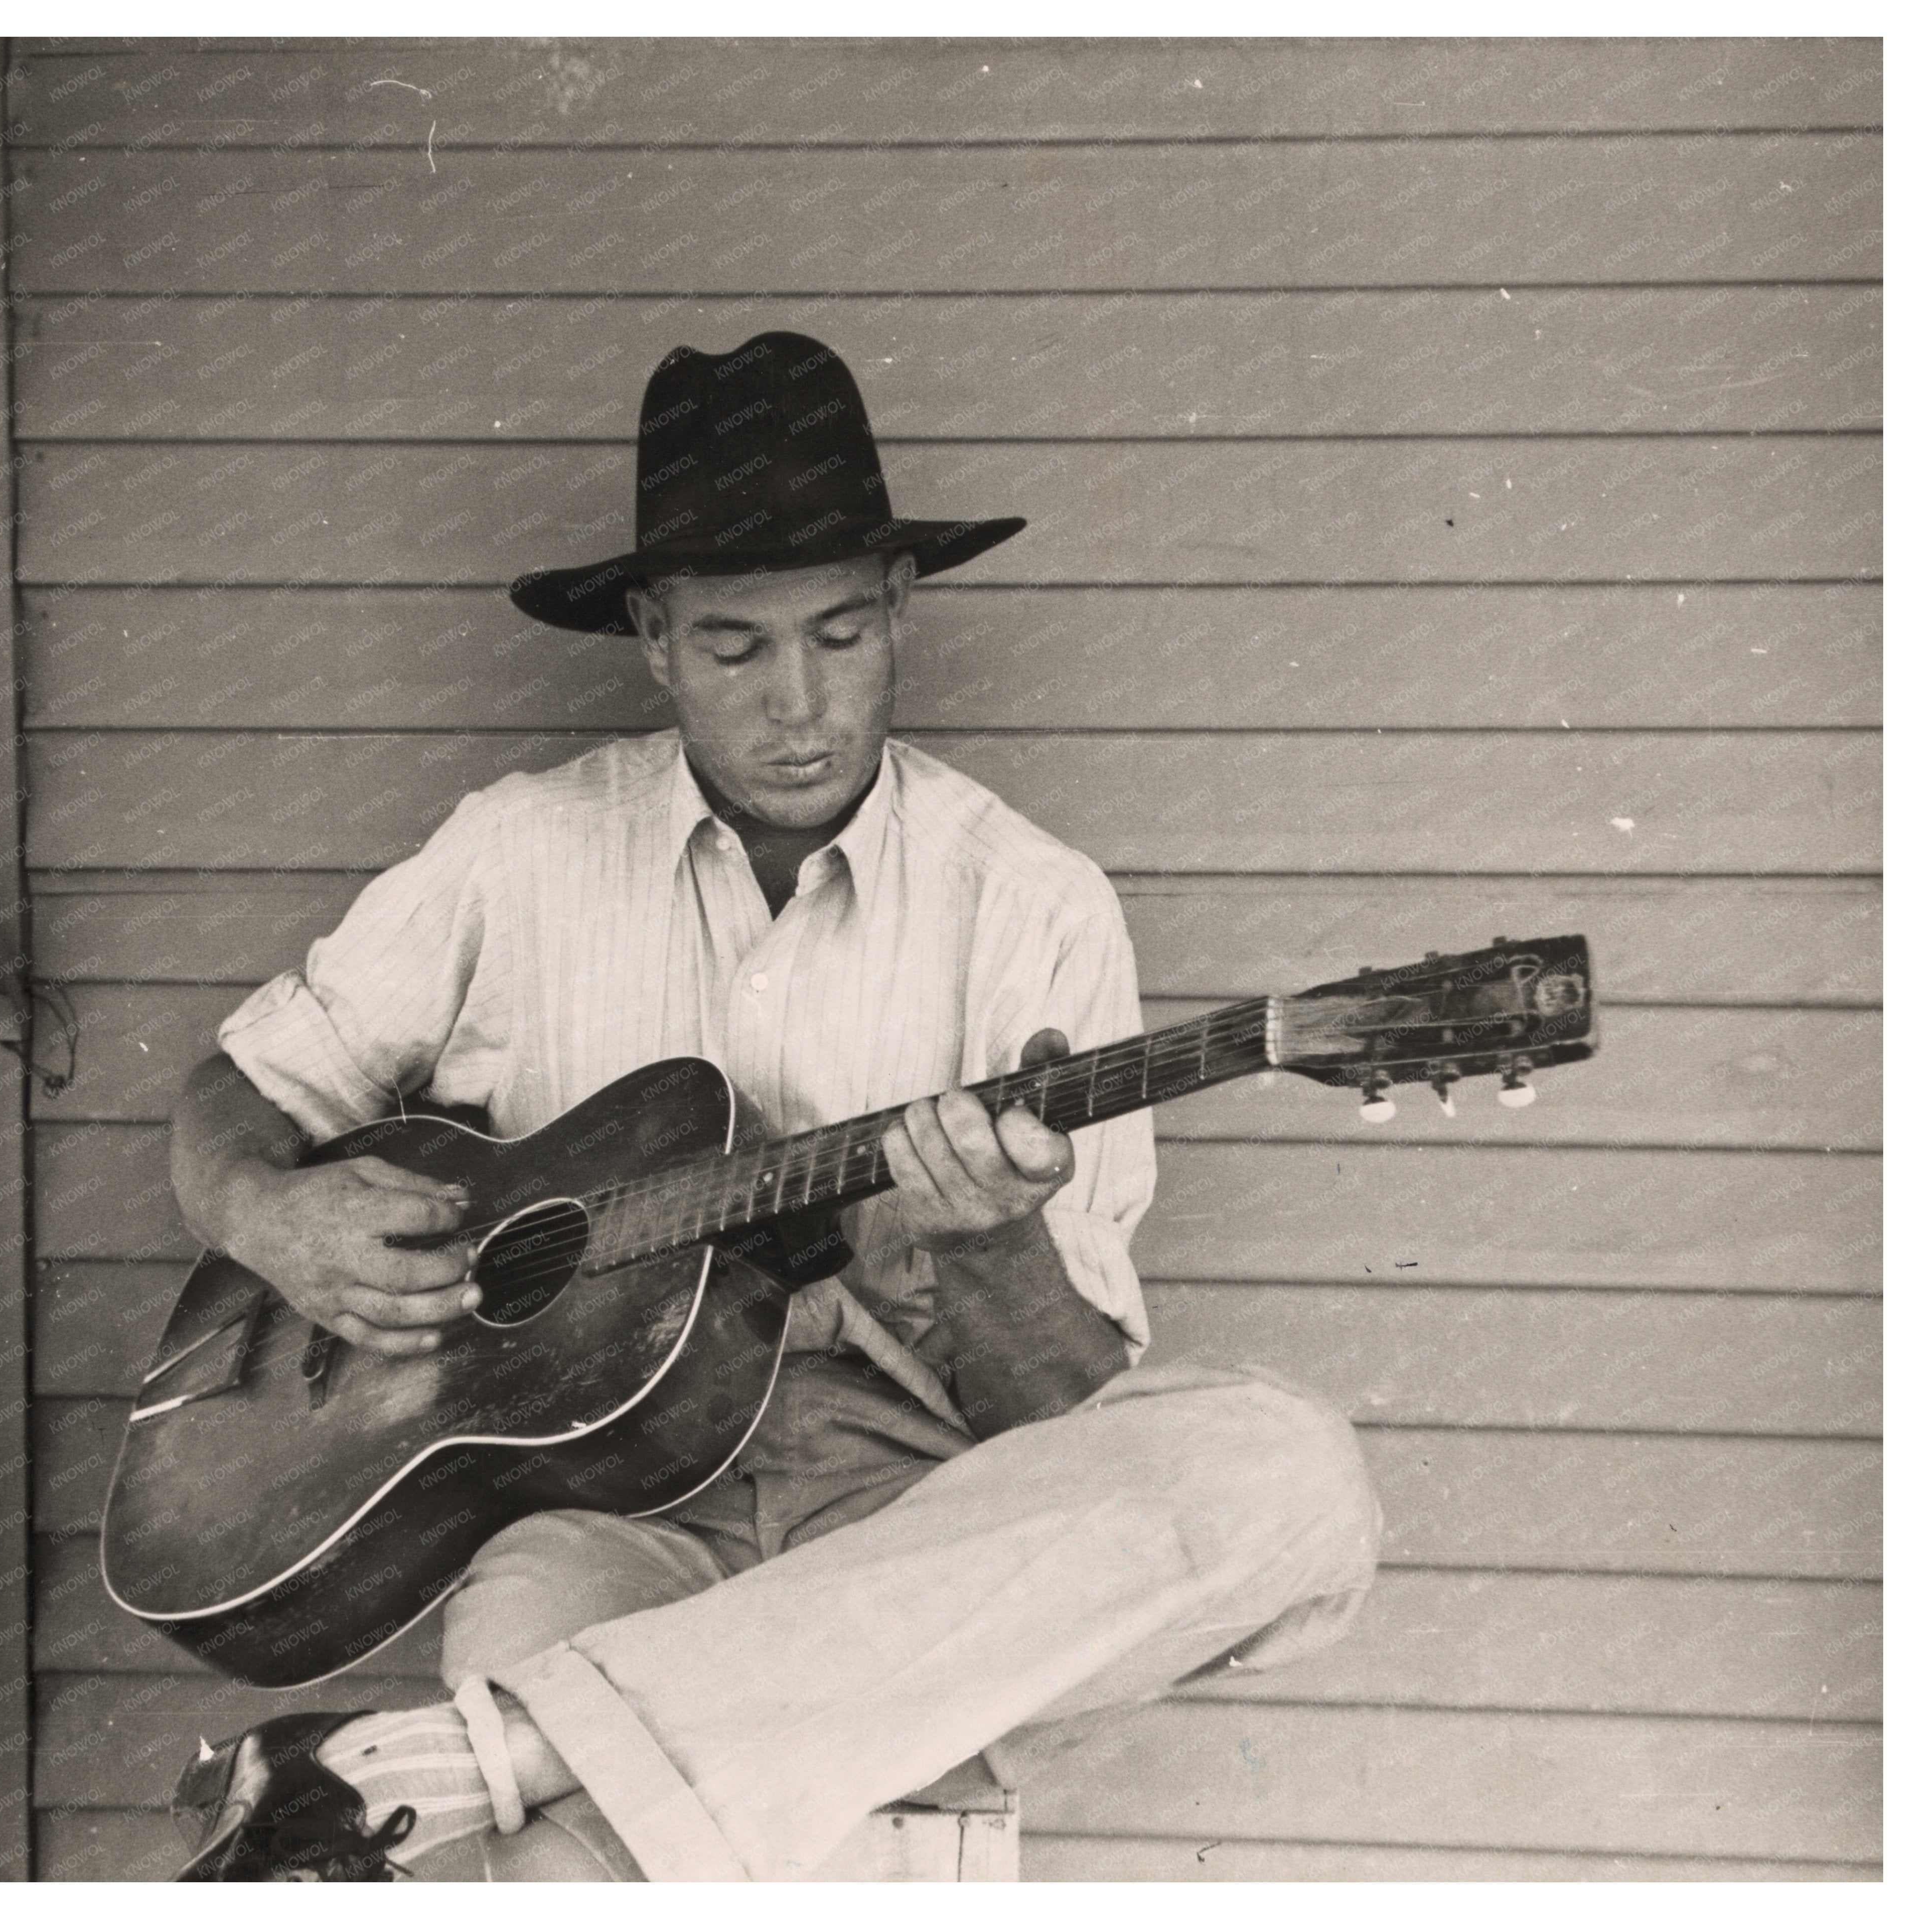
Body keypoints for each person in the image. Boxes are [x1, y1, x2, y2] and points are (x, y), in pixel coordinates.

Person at [163, 332, 1382, 1882]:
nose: (799, 705)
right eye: (736, 649)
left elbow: (1061, 1426)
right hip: (596, 1512)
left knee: (1284, 1478)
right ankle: (564, 1749)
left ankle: (482, 1758)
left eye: (841, 635)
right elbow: (235, 1093)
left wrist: (994, 1248)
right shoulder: (512, 854)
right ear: (651, 637)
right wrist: (269, 1214)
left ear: (900, 610)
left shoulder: (1032, 903)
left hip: (914, 1516)